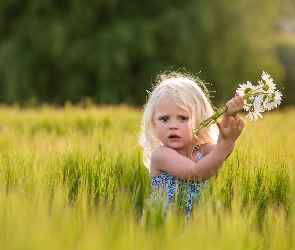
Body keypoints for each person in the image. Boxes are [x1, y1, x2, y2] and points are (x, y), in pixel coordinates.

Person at [139, 71, 245, 218]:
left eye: (183, 118)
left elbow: (221, 152)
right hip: (166, 227)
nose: (173, 126)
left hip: (197, 224)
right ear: (153, 124)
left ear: (199, 120)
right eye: (164, 119)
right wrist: (228, 143)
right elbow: (196, 173)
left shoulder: (204, 150)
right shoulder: (161, 154)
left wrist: (228, 116)